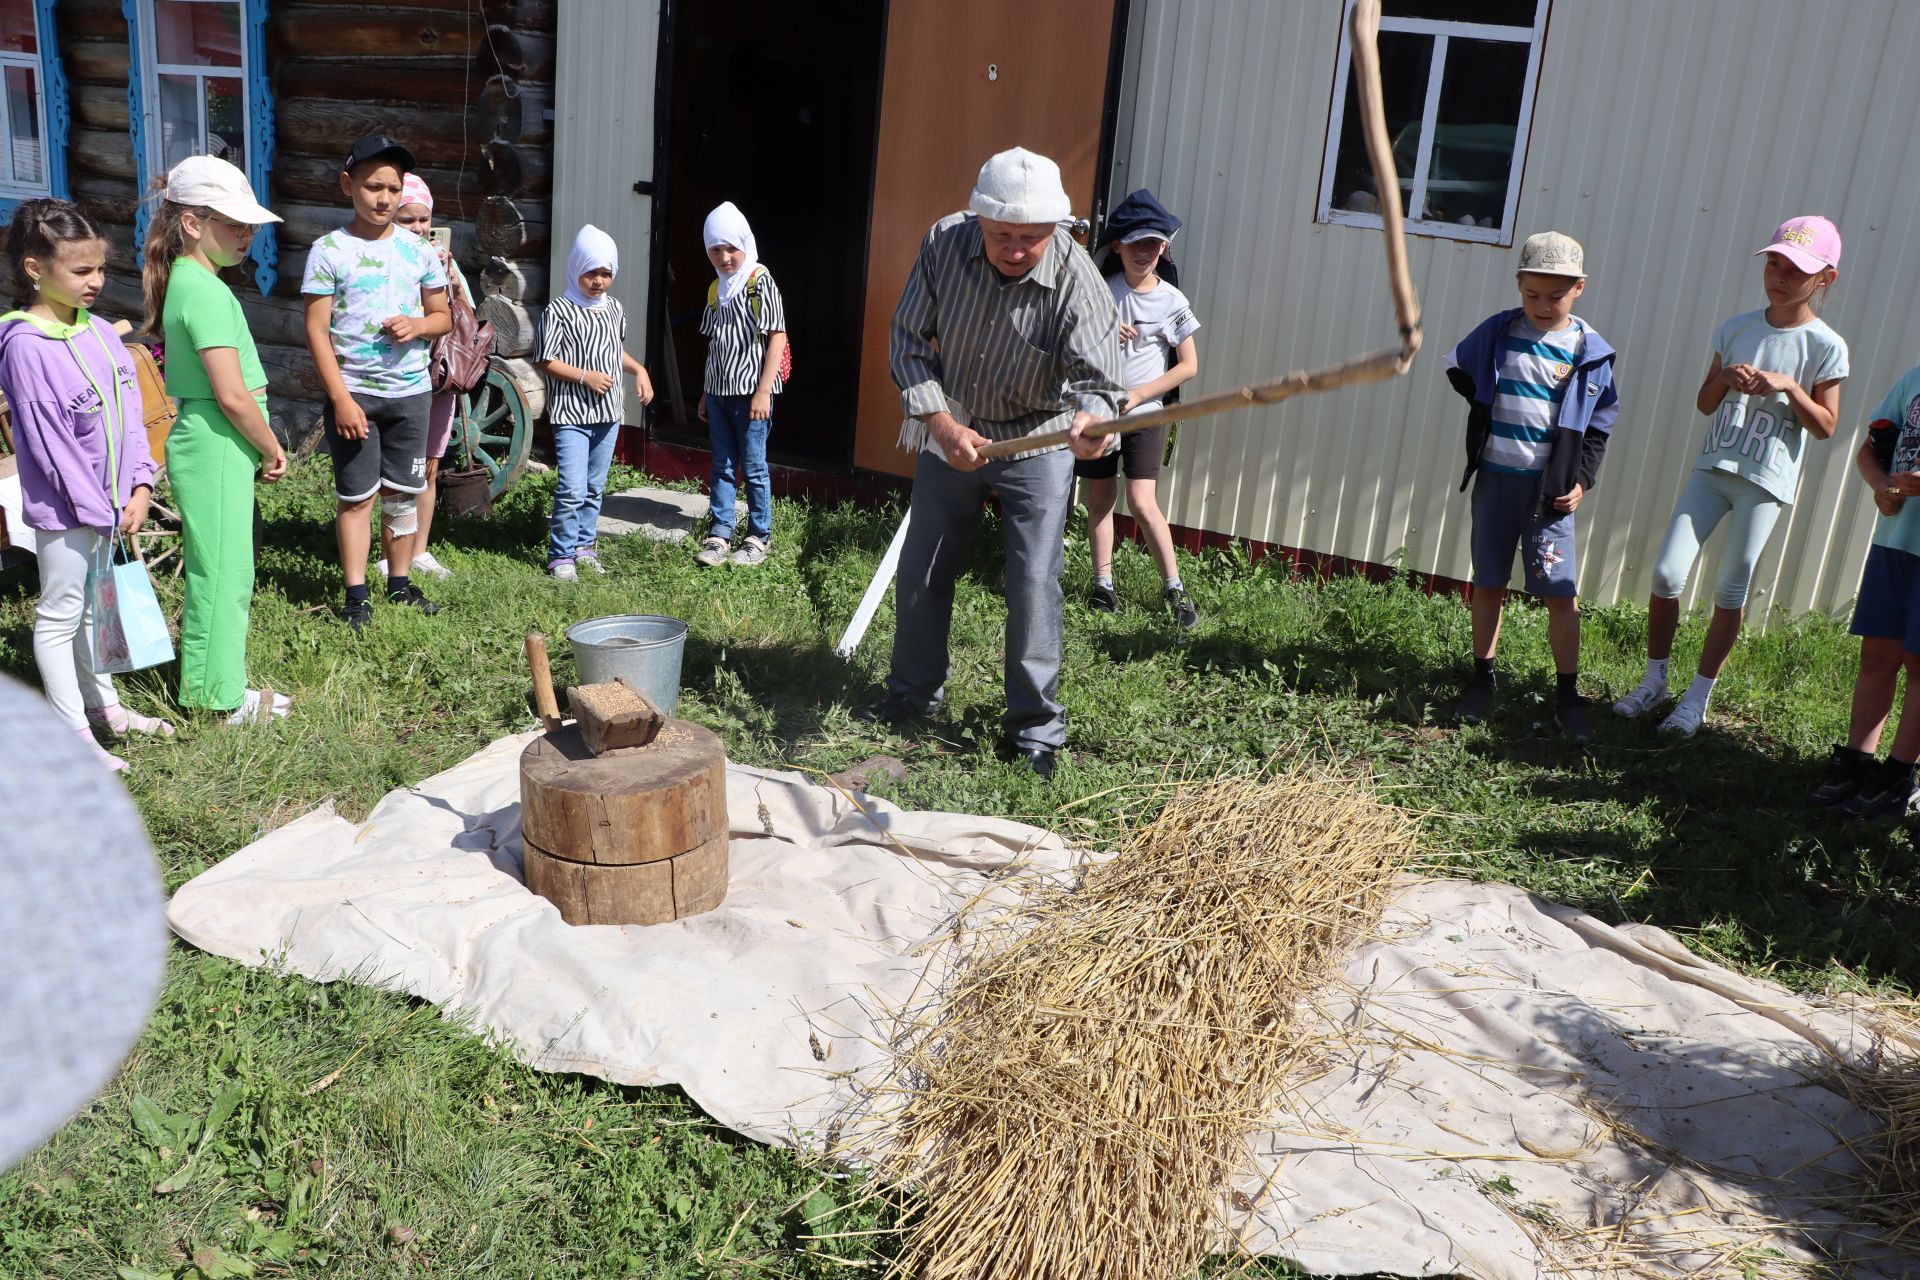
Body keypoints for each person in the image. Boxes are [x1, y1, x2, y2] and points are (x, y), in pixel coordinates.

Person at [854, 147, 1123, 780]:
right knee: (922, 569)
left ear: (1056, 228)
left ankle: (1034, 730)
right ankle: (913, 696)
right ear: (977, 218)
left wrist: (1093, 430)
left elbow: (1099, 383)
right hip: (956, 429)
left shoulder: (1077, 276)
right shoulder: (943, 243)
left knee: (1033, 583)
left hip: (1038, 439)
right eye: (1002, 234)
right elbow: (907, 343)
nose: (1016, 248)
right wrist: (943, 426)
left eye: (1032, 237)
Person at [1614, 217, 1848, 737]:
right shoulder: (1737, 327)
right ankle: (1655, 681)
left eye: (1796, 270)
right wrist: (1724, 377)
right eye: (1774, 264)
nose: (1780, 277)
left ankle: (1696, 698)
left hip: (1764, 483)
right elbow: (1703, 404)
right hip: (1712, 468)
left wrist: (1789, 385)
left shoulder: (1826, 345)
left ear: (1826, 278)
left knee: (1729, 588)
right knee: (1666, 575)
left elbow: (1828, 426)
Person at [0, 199, 161, 769]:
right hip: (69, 513)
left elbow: (132, 416)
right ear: (35, 268)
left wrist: (139, 487)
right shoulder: (25, 346)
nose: (95, 283)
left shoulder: (99, 331)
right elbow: (50, 447)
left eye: (99, 270)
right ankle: (72, 734)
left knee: (97, 608)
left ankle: (106, 708)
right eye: (80, 271)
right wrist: (98, 509)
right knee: (61, 611)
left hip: (114, 507)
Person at [1445, 231, 1621, 742]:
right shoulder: (1498, 333)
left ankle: (1569, 694)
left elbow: (1599, 425)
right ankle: (1482, 679)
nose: (1543, 306)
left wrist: (1582, 480)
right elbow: (1456, 366)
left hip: (1550, 496)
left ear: (1579, 288)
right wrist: (1487, 403)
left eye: (1556, 295)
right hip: (1497, 481)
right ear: (1518, 284)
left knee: (1560, 592)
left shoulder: (1590, 352)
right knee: (1489, 581)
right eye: (1533, 294)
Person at [142, 156, 292, 725]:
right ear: (192, 224)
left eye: (250, 225)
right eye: (234, 223)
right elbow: (231, 395)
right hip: (218, 438)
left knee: (228, 569)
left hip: (217, 440)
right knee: (224, 573)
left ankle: (220, 684)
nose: (246, 235)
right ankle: (216, 697)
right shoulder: (203, 291)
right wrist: (271, 447)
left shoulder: (196, 281)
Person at [301, 134, 450, 631]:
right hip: (356, 395)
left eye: (392, 187)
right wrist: (341, 399)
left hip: (410, 393)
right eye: (371, 187)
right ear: (348, 185)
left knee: (402, 494)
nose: (383, 198)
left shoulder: (419, 251)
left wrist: (419, 325)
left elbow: (442, 316)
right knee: (357, 496)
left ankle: (401, 584)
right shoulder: (328, 251)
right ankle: (356, 593)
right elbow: (316, 331)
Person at [1080, 188, 1201, 628]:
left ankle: (1174, 590)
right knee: (1099, 499)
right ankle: (1103, 587)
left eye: (1152, 243)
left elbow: (1189, 366)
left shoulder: (1172, 300)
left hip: (1146, 414)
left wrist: (1139, 395)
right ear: (1117, 245)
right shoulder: (1100, 290)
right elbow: (1076, 347)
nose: (1143, 252)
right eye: (1134, 243)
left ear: (1164, 247)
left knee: (1141, 499)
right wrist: (1104, 335)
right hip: (1099, 412)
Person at [1809, 364, 1920, 819]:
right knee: (1878, 655)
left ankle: (1899, 775)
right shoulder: (1912, 379)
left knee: (1919, 664)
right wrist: (1885, 487)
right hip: (1895, 542)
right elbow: (1870, 453)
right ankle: (1857, 760)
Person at [532, 224, 653, 579]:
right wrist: (585, 376)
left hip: (608, 413)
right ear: (575, 269)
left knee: (594, 486)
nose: (598, 280)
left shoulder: (614, 309)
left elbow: (615, 352)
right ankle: (561, 555)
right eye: (590, 272)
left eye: (605, 272)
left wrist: (640, 370)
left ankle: (585, 546)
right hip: (572, 413)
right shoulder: (560, 311)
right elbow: (545, 359)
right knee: (571, 486)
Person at [385, 173, 470, 582]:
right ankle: (389, 549)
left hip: (440, 379)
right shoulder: (386, 264)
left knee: (429, 466)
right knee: (392, 470)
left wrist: (452, 281)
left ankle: (419, 549)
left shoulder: (443, 264)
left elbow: (467, 318)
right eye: (409, 220)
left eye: (424, 220)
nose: (419, 228)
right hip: (399, 380)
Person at [694, 202, 786, 568]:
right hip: (718, 394)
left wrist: (764, 390)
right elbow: (713, 344)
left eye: (731, 248)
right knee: (722, 465)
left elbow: (777, 335)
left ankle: (758, 535)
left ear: (745, 244)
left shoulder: (758, 281)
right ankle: (720, 533)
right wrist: (704, 391)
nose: (725, 256)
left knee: (754, 465)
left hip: (751, 395)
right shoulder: (717, 289)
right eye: (715, 249)